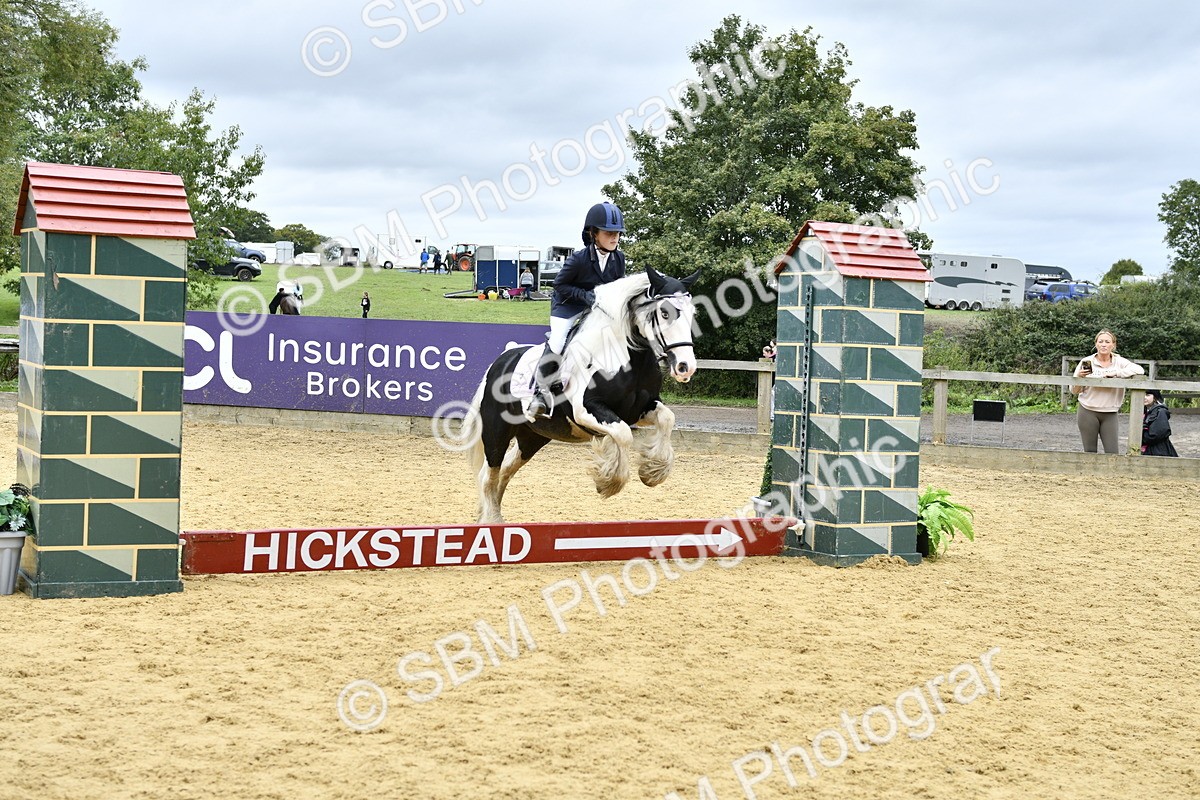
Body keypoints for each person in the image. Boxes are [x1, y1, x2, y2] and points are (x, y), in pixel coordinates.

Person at [525, 201, 627, 420]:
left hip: (596, 309)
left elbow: (617, 287)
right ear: (593, 233)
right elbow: (560, 285)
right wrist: (586, 297)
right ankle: (540, 393)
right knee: (559, 340)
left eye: (617, 233)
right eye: (609, 232)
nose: (614, 237)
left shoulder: (619, 258)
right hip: (567, 306)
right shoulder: (578, 259)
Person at [1070, 329, 1144, 454]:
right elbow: (1074, 390)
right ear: (1096, 344)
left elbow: (1139, 370)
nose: (1104, 344)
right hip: (1088, 410)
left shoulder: (1119, 362)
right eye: (1101, 341)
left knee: (1112, 452)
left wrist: (1117, 373)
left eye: (1107, 342)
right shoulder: (1087, 361)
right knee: (1089, 451)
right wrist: (1079, 378)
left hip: (1110, 412)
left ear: (1113, 345)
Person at [1141, 389, 1179, 457]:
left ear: (1155, 397)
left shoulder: (1160, 412)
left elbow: (1158, 434)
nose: (1144, 397)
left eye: (1147, 395)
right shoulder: (1143, 411)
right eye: (1142, 394)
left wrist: (1141, 437)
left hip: (1158, 451)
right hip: (1147, 449)